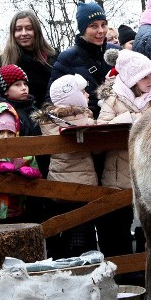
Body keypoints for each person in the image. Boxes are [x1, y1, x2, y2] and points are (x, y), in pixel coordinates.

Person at [96, 49, 151, 256]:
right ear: (132, 78)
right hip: (120, 171)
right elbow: (101, 129)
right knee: (120, 222)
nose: (150, 80)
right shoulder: (113, 100)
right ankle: (127, 269)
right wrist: (129, 118)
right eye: (144, 76)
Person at [33, 74, 98, 258]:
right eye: (83, 92)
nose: (87, 95)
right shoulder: (80, 119)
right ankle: (79, 261)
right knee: (80, 230)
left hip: (58, 182)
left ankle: (60, 258)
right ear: (72, 96)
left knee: (63, 225)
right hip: (83, 183)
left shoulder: (49, 120)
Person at [48, 2, 111, 116]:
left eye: (103, 24)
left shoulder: (116, 52)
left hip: (120, 123)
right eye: (94, 26)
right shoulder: (67, 58)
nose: (101, 30)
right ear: (82, 29)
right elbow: (53, 99)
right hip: (87, 126)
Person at [0, 102, 42, 223]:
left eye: (10, 132)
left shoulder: (22, 152)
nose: (5, 136)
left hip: (17, 210)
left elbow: (37, 172)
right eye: (0, 132)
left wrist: (32, 172)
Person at [0, 10, 56, 109]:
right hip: (21, 116)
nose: (24, 33)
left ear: (36, 31)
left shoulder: (53, 56)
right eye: (18, 29)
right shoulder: (5, 60)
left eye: (29, 28)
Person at [0, 64, 39, 137]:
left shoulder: (32, 109)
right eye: (17, 85)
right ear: (5, 91)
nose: (24, 88)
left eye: (25, 84)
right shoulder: (4, 112)